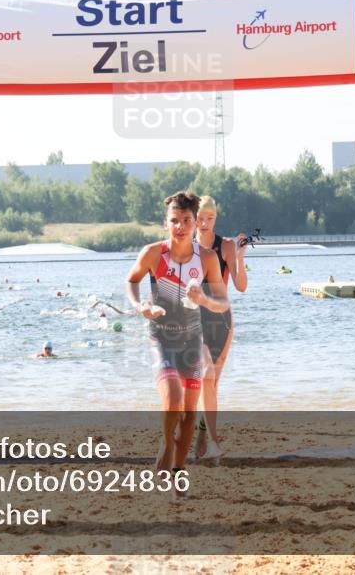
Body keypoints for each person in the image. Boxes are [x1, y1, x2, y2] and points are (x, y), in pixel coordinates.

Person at [125, 191, 230, 497]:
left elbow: (222, 303)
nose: (180, 226)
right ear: (165, 222)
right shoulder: (153, 254)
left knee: (188, 415)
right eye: (175, 221)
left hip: (192, 341)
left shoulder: (207, 259)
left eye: (186, 220)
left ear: (195, 222)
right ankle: (165, 442)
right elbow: (132, 280)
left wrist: (203, 299)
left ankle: (178, 470)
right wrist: (139, 307)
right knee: (172, 396)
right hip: (162, 337)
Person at [193, 195, 249, 461]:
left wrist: (239, 258)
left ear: (216, 218)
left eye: (210, 218)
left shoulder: (225, 246)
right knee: (206, 375)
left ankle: (204, 434)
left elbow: (240, 285)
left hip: (222, 319)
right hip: (194, 319)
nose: (204, 223)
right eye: (200, 218)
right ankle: (214, 442)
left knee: (213, 383)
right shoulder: (184, 247)